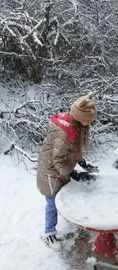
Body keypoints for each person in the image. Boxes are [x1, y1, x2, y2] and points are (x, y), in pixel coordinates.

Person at [37, 93, 98, 251]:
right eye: (89, 119)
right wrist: (74, 174)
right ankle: (49, 233)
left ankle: (65, 222)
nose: (91, 123)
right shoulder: (65, 132)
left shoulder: (77, 125)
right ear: (80, 116)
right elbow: (57, 159)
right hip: (50, 171)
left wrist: (83, 164)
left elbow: (73, 149)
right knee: (52, 203)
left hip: (60, 169)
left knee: (64, 196)